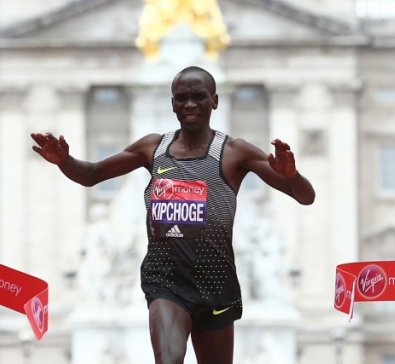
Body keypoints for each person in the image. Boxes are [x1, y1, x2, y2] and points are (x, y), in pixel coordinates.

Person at [30, 66, 315, 364]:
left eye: (198, 97)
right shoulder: (152, 148)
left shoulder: (234, 151)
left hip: (215, 282)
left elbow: (305, 197)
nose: (189, 105)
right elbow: (91, 174)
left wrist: (292, 175)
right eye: (181, 98)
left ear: (215, 101)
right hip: (165, 280)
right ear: (172, 104)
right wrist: (64, 160)